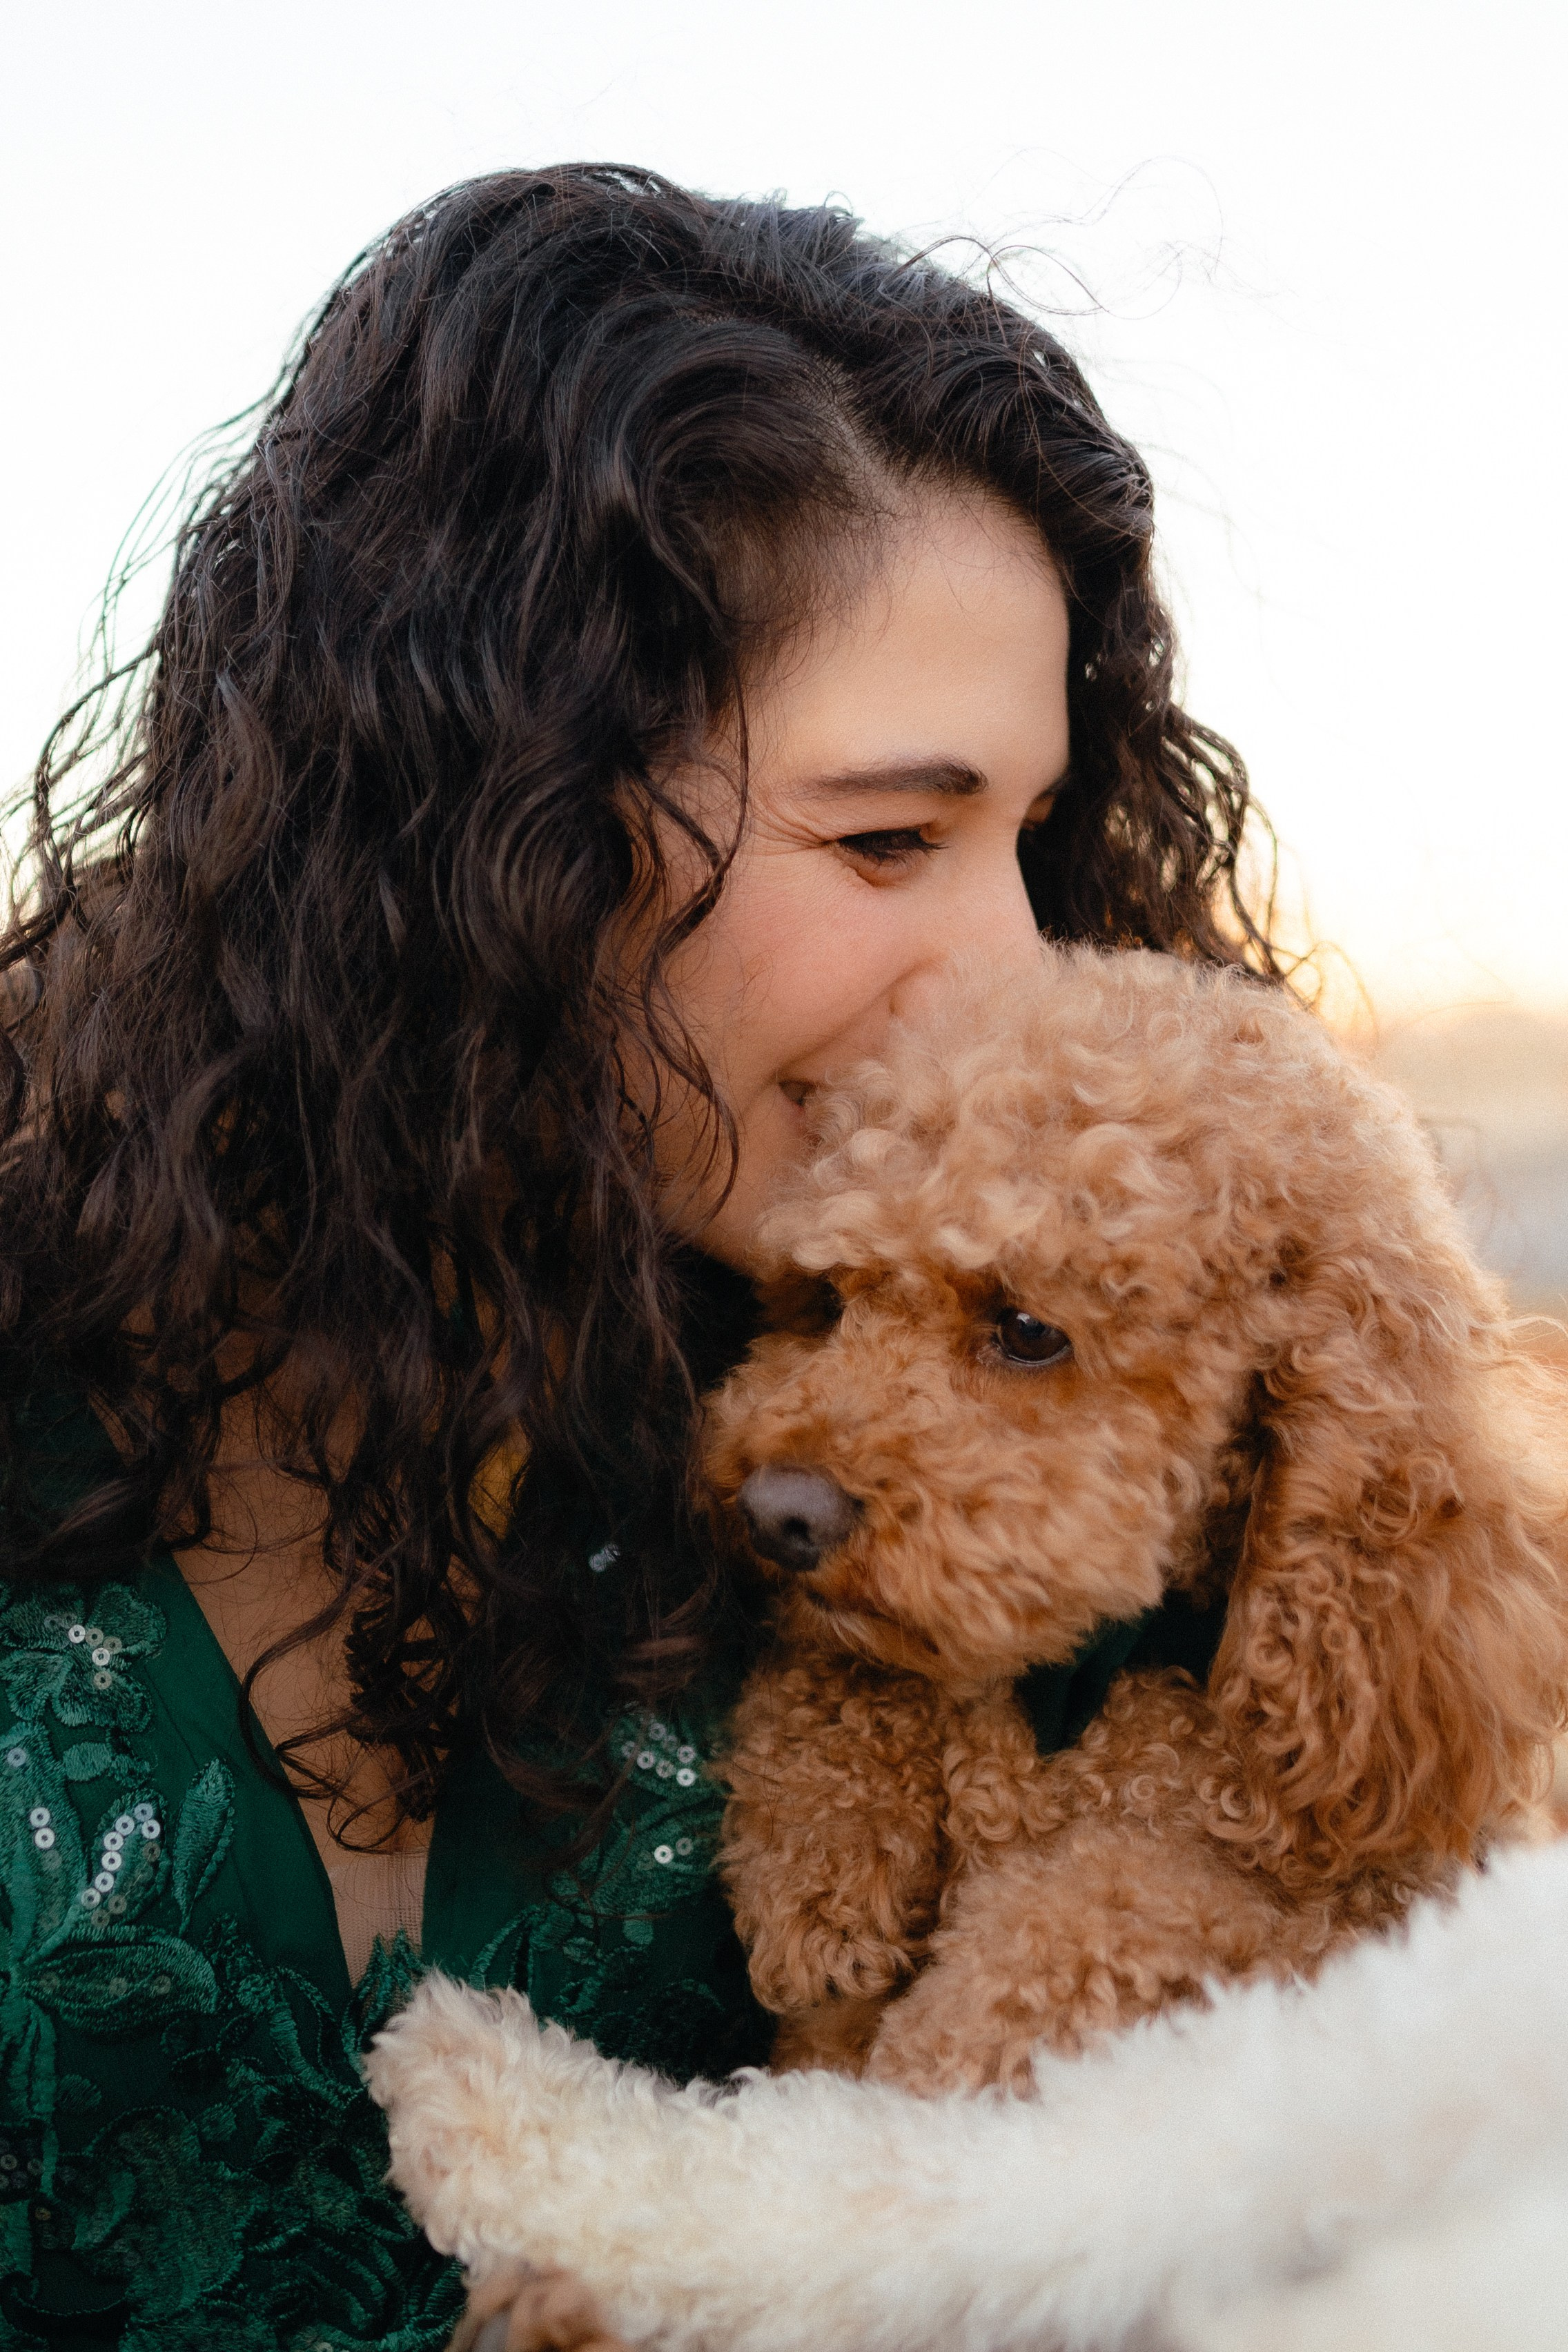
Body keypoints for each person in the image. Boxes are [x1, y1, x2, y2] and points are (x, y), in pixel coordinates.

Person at [0, 165, 1277, 2351]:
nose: (1011, 974)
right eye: (888, 840)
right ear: (483, 814)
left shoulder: (985, 1481)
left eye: (1033, 848)